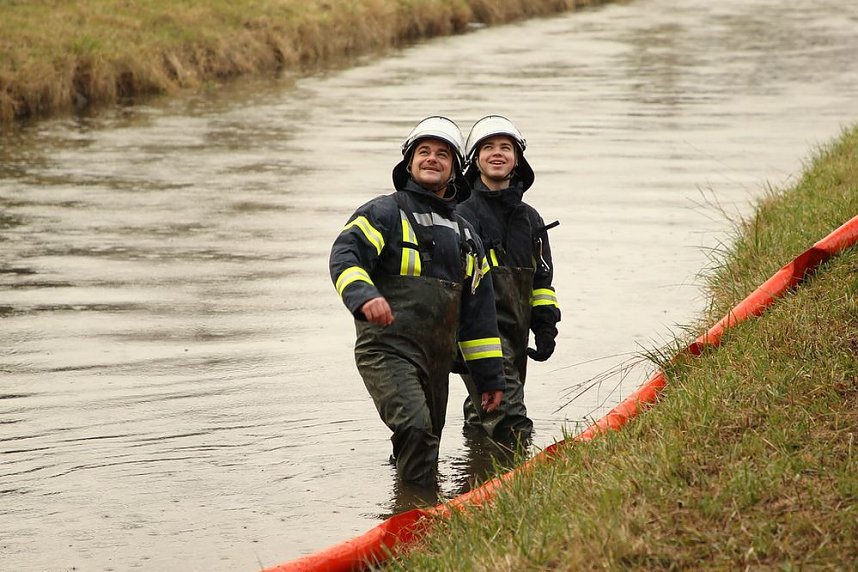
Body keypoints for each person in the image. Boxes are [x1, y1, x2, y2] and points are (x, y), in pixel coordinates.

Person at [329, 116, 505, 486]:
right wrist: (364, 296)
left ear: (455, 169)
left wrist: (489, 377)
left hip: (436, 361)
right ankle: (411, 519)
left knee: (426, 445)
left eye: (443, 154)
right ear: (408, 163)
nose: (431, 159)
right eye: (423, 152)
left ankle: (412, 519)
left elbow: (479, 315)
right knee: (415, 428)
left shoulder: (467, 234)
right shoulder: (383, 213)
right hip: (387, 349)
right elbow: (346, 256)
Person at [455, 115, 561, 445]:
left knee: (485, 413)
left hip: (516, 332)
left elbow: (541, 281)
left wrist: (545, 327)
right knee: (511, 420)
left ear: (517, 159)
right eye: (488, 147)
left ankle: (474, 473)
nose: (497, 153)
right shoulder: (459, 214)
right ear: (475, 160)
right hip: (479, 337)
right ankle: (522, 482)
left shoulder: (530, 219)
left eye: (506, 147)